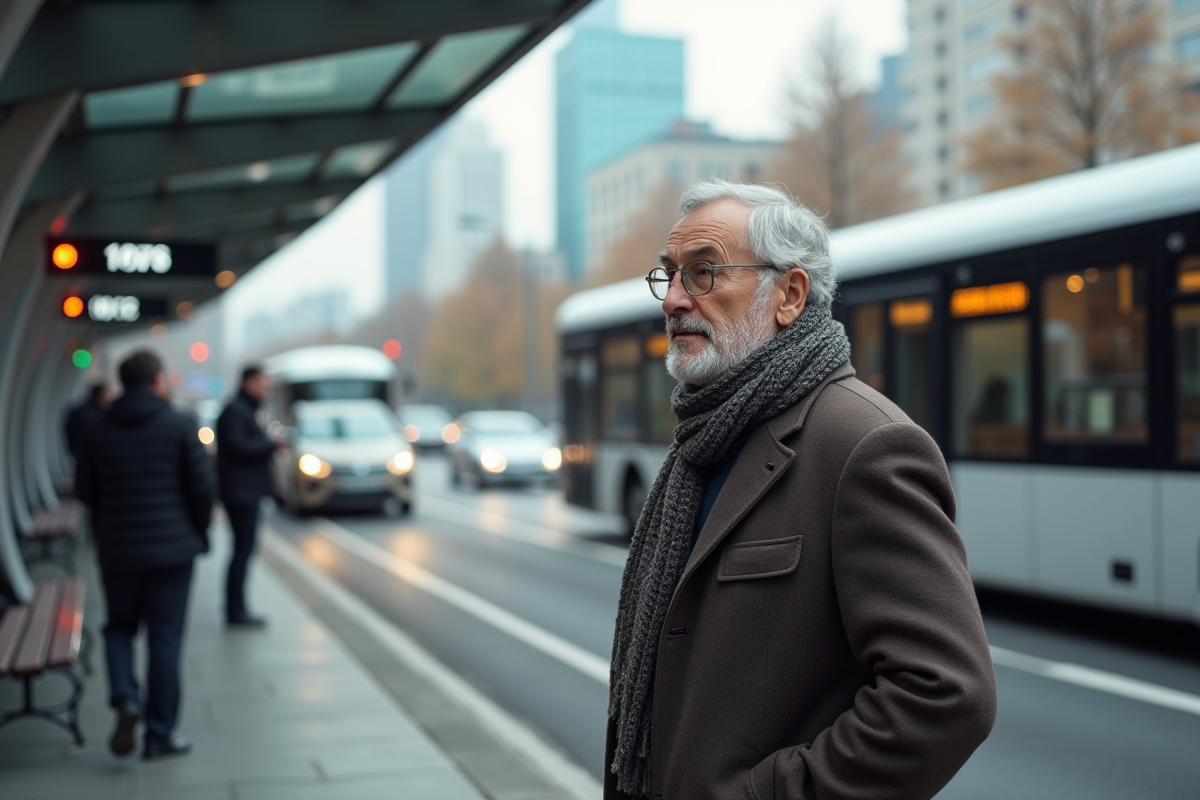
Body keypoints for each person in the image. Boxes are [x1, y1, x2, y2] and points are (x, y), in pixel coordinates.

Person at [606, 181, 997, 799]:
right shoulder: (702, 443)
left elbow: (946, 695)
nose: (675, 300)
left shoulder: (865, 444)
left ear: (789, 295)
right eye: (669, 275)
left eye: (704, 273)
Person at [76, 350, 212, 760]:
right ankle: (159, 735)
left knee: (118, 628)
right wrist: (197, 532)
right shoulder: (180, 425)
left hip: (118, 549)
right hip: (173, 552)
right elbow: (203, 488)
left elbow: (85, 491)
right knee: (165, 639)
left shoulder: (97, 429)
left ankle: (124, 699)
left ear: (121, 382)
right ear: (157, 381)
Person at [215, 365, 279, 628]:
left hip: (245, 491)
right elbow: (238, 446)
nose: (267, 389)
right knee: (242, 550)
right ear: (249, 382)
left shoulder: (245, 409)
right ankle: (235, 609)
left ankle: (238, 607)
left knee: (244, 550)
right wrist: (271, 444)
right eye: (263, 384)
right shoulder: (236, 411)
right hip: (240, 493)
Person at [64, 383, 110, 460]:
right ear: (99, 395)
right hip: (89, 453)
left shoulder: (79, 411)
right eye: (106, 395)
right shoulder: (99, 415)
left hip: (79, 452)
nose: (109, 398)